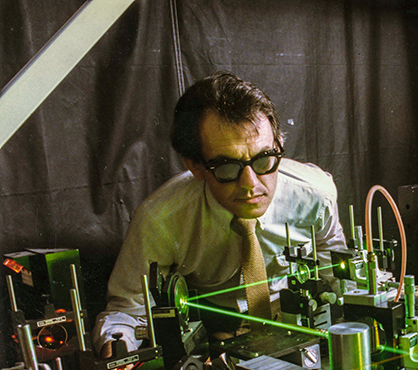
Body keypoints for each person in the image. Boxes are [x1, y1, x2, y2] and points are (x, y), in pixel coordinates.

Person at [93, 72, 347, 355]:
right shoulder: (161, 219)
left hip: (300, 330)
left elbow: (340, 277)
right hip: (214, 343)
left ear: (278, 144)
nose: (251, 184)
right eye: (228, 167)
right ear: (195, 166)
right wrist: (117, 346)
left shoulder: (315, 195)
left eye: (264, 159)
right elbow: (127, 312)